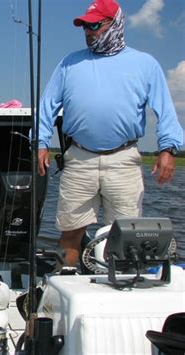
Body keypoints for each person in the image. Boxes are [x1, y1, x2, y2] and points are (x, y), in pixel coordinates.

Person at [38, 0, 183, 266]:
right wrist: (40, 143)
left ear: (115, 23)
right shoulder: (69, 63)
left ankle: (122, 293)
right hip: (79, 160)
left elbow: (165, 110)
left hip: (123, 160)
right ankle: (62, 285)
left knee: (126, 234)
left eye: (94, 25)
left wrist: (167, 149)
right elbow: (47, 106)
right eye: (84, 26)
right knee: (70, 231)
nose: (88, 31)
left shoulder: (145, 64)